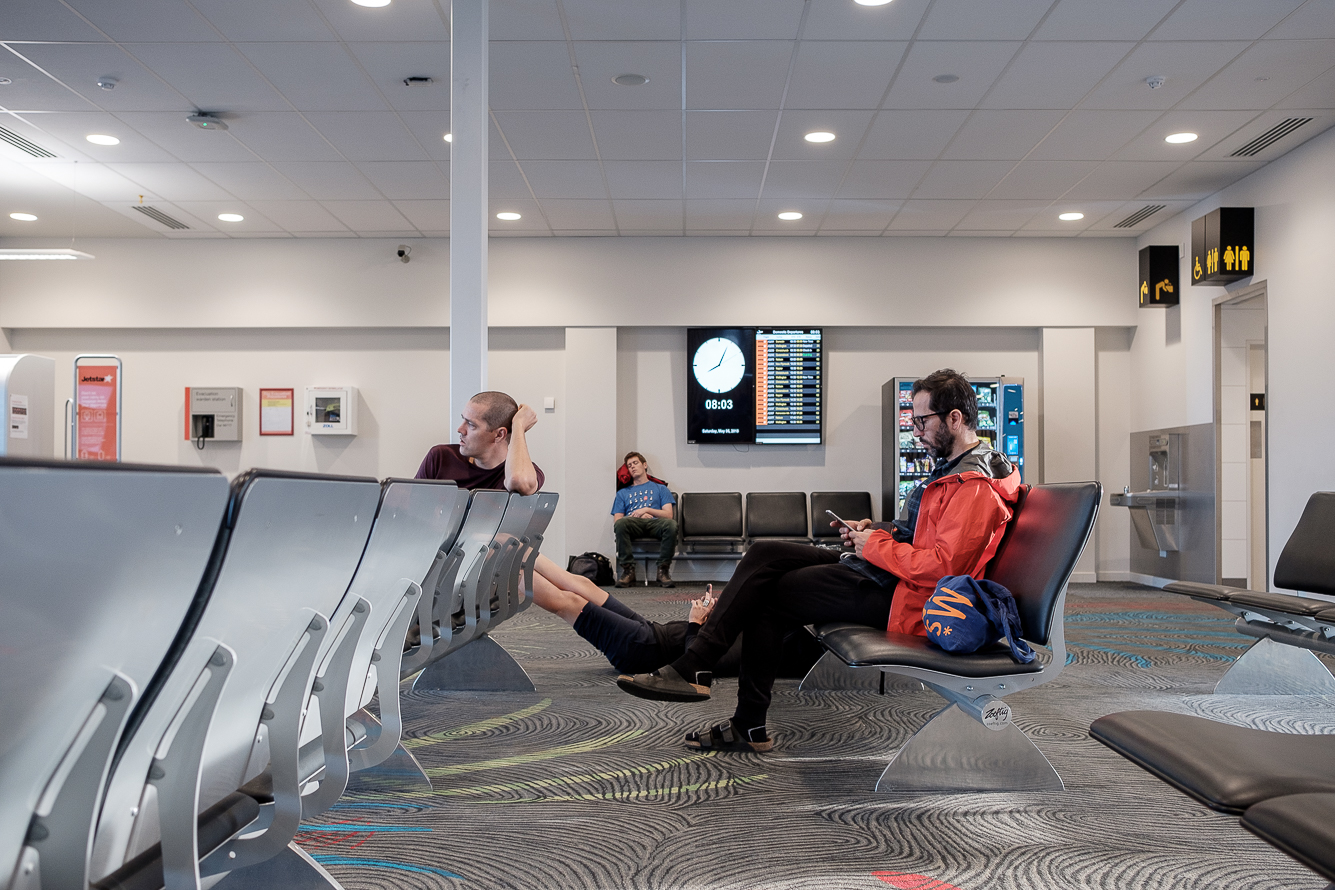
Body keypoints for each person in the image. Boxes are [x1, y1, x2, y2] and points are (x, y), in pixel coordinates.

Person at [615, 369, 1023, 755]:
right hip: (890, 574)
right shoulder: (953, 471)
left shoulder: (975, 486)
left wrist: (872, 547)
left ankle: (721, 693)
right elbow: (919, 534)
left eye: (922, 422)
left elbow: (943, 568)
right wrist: (874, 530)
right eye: (913, 423)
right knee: (765, 554)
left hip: (907, 598)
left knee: (770, 594)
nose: (916, 432)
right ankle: (706, 676)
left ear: (954, 418)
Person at [414, 390, 720, 674]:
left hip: (494, 566)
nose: (460, 430)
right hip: (446, 569)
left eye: (470, 424)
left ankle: (644, 632)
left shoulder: (524, 469)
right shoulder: (441, 457)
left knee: (562, 576)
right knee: (513, 550)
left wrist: (518, 428)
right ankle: (643, 637)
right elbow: (416, 522)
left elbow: (520, 482)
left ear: (499, 434)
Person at [611, 452, 677, 588]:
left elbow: (668, 515)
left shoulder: (661, 489)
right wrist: (638, 516)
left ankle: (663, 570)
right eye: (629, 466)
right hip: (633, 523)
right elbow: (617, 520)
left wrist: (647, 510)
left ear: (644, 465)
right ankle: (628, 570)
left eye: (635, 463)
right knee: (621, 524)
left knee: (671, 525)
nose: (632, 467)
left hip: (655, 523)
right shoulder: (622, 493)